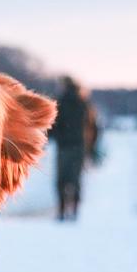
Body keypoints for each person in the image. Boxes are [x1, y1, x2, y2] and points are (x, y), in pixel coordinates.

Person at [52, 76, 95, 220]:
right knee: (75, 180)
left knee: (61, 180)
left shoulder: (60, 102)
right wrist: (91, 147)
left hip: (63, 146)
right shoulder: (84, 103)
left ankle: (62, 212)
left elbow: (52, 126)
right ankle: (75, 212)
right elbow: (93, 127)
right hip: (79, 147)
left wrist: (53, 136)